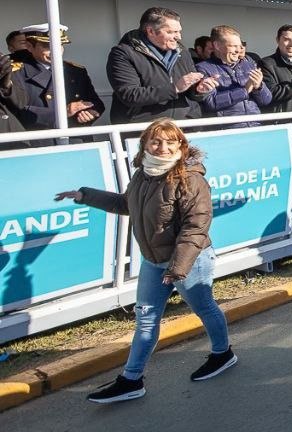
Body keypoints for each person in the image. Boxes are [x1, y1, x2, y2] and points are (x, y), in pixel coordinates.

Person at [56, 119, 236, 403]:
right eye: (155, 142)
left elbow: (195, 226)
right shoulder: (143, 175)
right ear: (145, 145)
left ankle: (222, 353)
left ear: (180, 145)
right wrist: (85, 196)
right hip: (153, 261)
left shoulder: (191, 179)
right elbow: (126, 204)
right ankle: (131, 379)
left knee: (203, 307)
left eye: (170, 142)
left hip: (190, 260)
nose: (162, 148)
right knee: (146, 319)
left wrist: (177, 268)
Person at [107, 7, 215, 124]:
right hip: (144, 130)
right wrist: (175, 88)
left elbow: (189, 91)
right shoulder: (123, 54)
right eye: (171, 32)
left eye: (179, 31)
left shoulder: (182, 52)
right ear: (151, 31)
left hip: (182, 126)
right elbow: (130, 95)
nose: (178, 37)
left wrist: (199, 90)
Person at [12, 23, 105, 129]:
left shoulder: (76, 71)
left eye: (59, 45)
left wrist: (90, 112)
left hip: (76, 138)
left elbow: (96, 102)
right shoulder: (15, 73)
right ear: (29, 46)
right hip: (40, 140)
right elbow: (15, 111)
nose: (55, 51)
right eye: (47, 46)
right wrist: (62, 113)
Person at [195, 25, 272, 120]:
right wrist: (244, 91)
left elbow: (266, 101)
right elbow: (211, 103)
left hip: (255, 124)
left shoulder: (248, 64)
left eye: (239, 46)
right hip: (227, 127)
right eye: (233, 46)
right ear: (217, 46)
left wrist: (259, 87)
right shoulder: (203, 68)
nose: (238, 50)